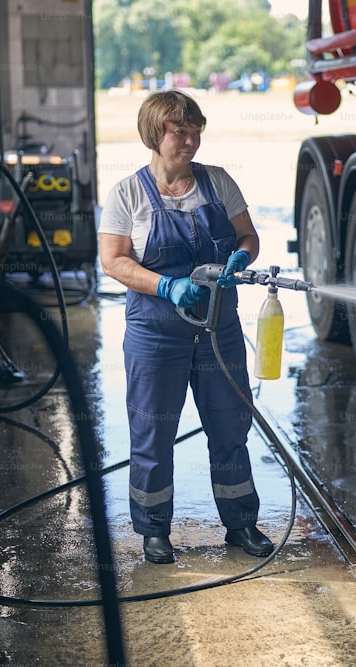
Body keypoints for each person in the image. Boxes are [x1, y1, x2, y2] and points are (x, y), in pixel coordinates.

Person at [98, 90, 273, 564]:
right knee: (153, 434)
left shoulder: (217, 182)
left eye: (195, 130)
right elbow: (113, 261)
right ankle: (154, 530)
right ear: (156, 134)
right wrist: (167, 287)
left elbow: (248, 235)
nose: (191, 139)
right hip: (156, 333)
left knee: (230, 426)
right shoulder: (128, 194)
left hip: (219, 329)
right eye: (180, 130)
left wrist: (243, 254)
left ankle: (241, 524)